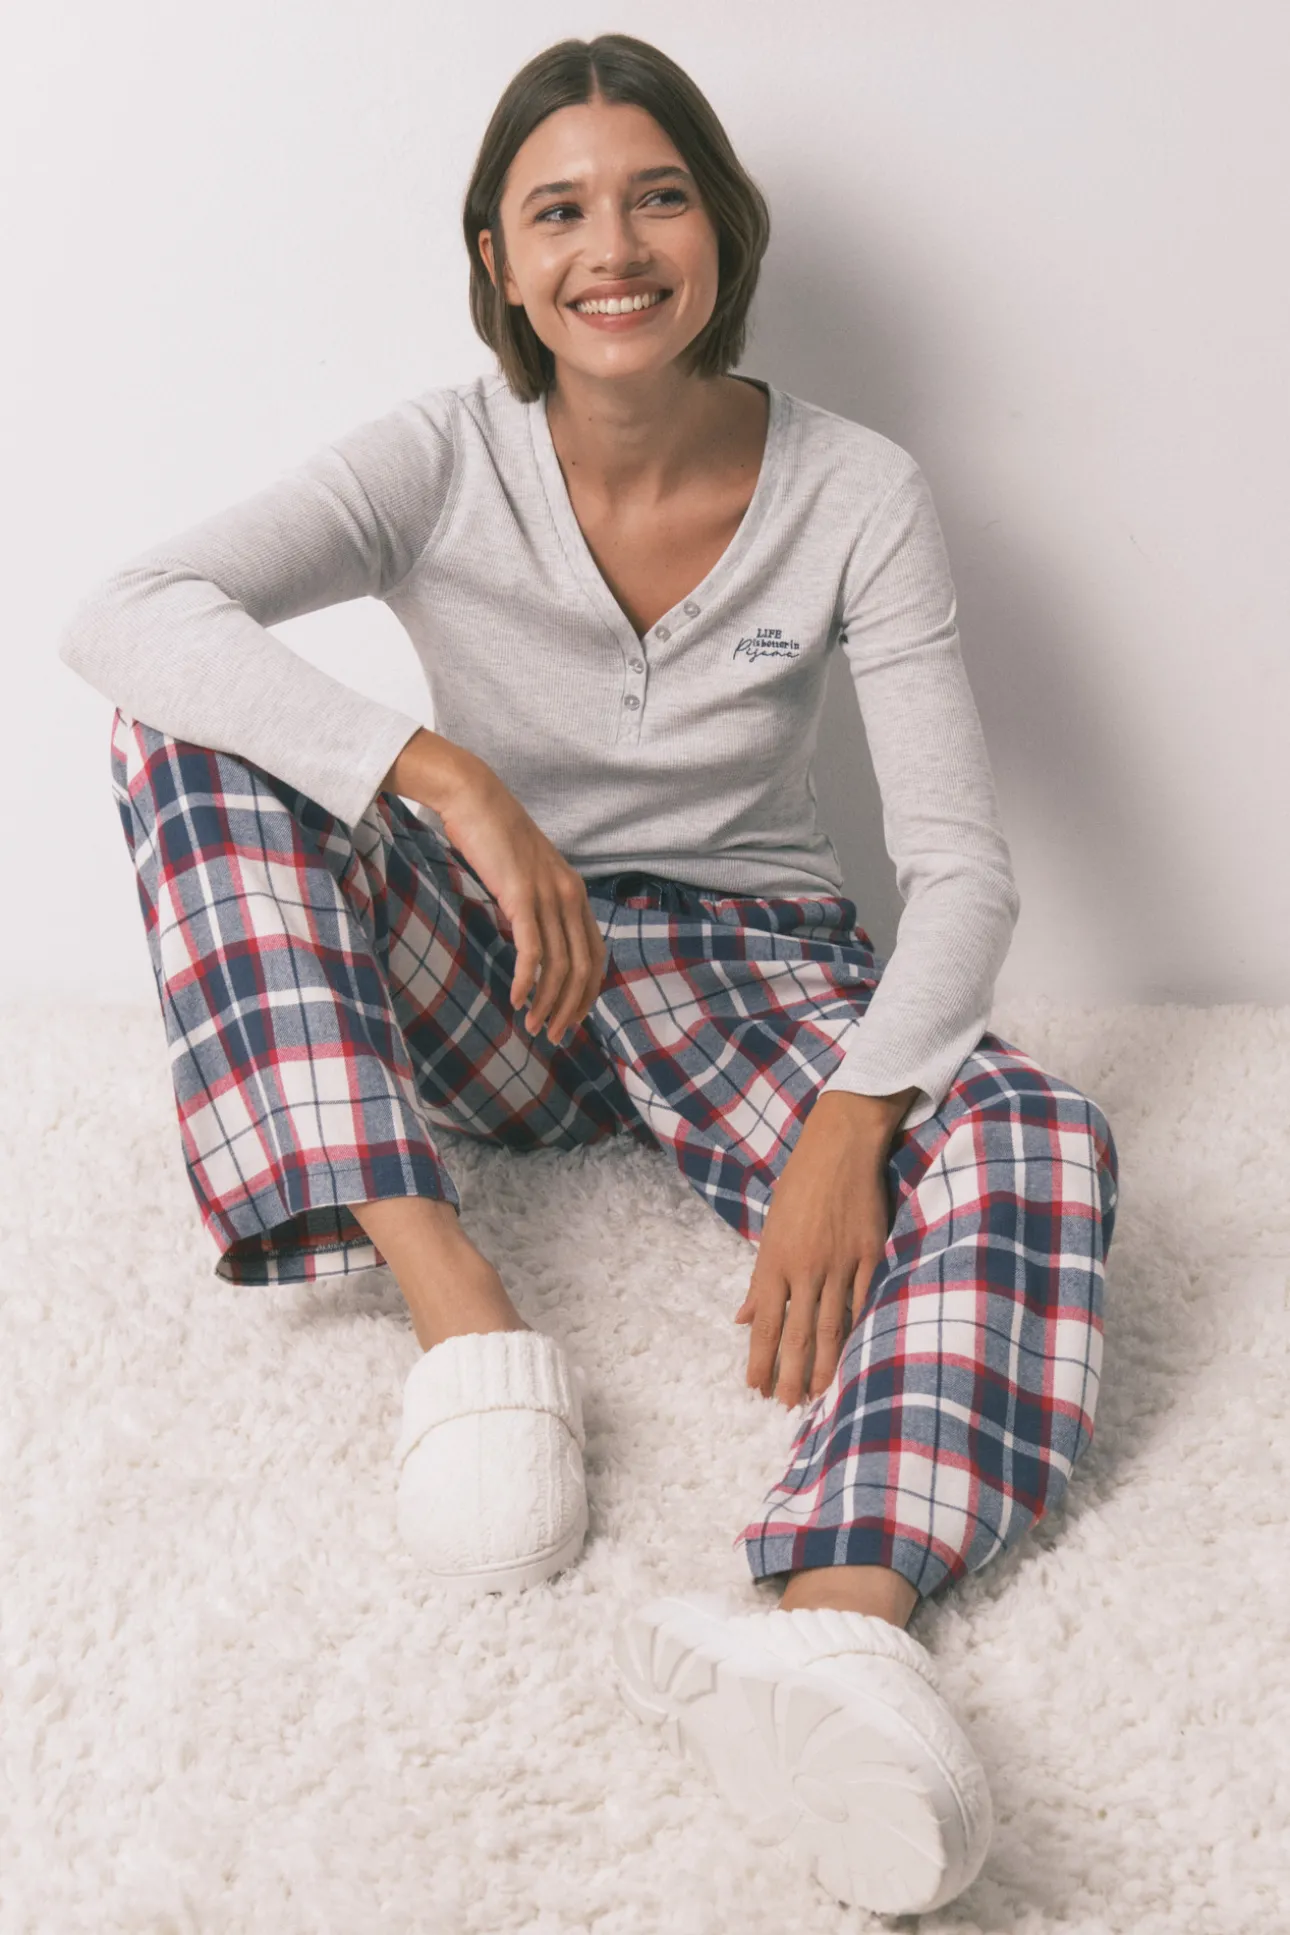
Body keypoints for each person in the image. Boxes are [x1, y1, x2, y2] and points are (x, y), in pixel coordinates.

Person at [58, 32, 1119, 1918]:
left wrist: (854, 1117)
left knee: (1037, 1134)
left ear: (723, 228)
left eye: (656, 198)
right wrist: (446, 777)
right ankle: (460, 1316)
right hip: (504, 964)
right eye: (557, 211)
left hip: (746, 975)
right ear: (498, 254)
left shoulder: (856, 488)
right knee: (188, 727)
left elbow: (961, 867)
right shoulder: (440, 454)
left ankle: (834, 1628)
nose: (610, 249)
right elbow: (125, 610)